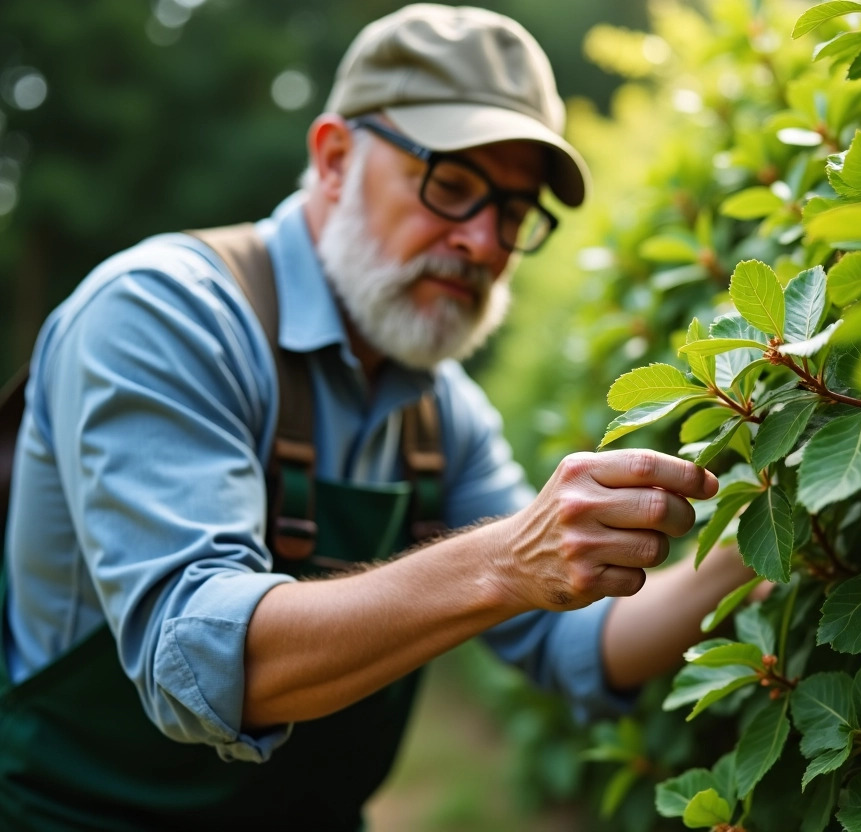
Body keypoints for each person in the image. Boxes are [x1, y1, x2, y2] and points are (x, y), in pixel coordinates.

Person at [0, 5, 754, 830]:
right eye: (453, 186)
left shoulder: (442, 413)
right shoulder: (163, 315)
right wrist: (503, 562)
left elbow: (576, 645)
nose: (482, 242)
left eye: (513, 211)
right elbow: (201, 663)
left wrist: (770, 534)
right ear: (332, 159)